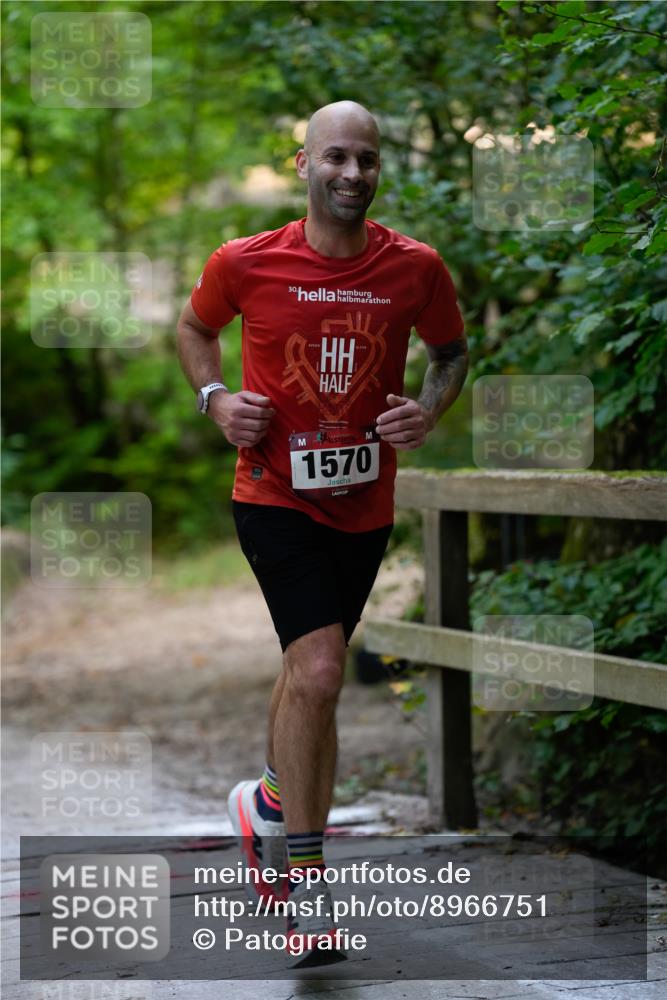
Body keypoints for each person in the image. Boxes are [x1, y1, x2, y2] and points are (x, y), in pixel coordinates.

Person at [176, 100, 468, 965]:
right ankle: (306, 883)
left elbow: (449, 354)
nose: (351, 174)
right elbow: (195, 328)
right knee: (321, 667)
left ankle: (266, 802)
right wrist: (216, 399)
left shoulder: (414, 268)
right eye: (335, 157)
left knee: (312, 676)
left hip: (363, 505)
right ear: (301, 164)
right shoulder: (245, 261)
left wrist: (426, 409)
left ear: (379, 170)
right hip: (271, 496)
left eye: (366, 160)